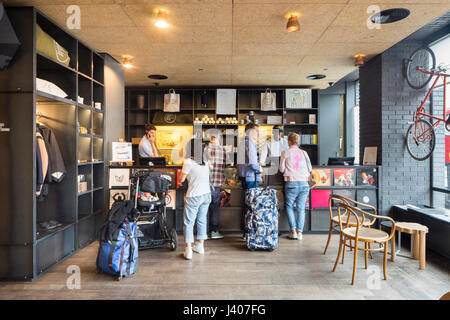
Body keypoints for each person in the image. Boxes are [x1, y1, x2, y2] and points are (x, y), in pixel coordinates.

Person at [180, 139, 211, 260]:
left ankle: (188, 250)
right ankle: (200, 246)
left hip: (194, 195)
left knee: (189, 222)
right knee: (202, 220)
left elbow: (182, 179)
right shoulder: (206, 162)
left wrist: (181, 179)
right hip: (206, 195)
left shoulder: (188, 162)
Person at [279, 132, 311, 240]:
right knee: (301, 208)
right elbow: (310, 168)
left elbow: (281, 169)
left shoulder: (285, 152)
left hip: (292, 183)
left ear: (288, 141)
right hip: (304, 183)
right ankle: (300, 233)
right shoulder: (304, 153)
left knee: (289, 206)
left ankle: (293, 231)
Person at [237, 122, 262, 238]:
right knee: (251, 206)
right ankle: (250, 233)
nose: (258, 133)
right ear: (251, 131)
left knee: (247, 205)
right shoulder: (250, 144)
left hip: (244, 177)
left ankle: (246, 232)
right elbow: (253, 164)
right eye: (256, 131)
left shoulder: (242, 142)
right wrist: (259, 168)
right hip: (251, 178)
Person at [204, 134, 230, 239]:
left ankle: (204, 232)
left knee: (205, 207)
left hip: (205, 183)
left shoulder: (205, 149)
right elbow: (228, 164)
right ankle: (214, 231)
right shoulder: (223, 150)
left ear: (211, 139)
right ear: (218, 139)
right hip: (217, 182)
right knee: (215, 207)